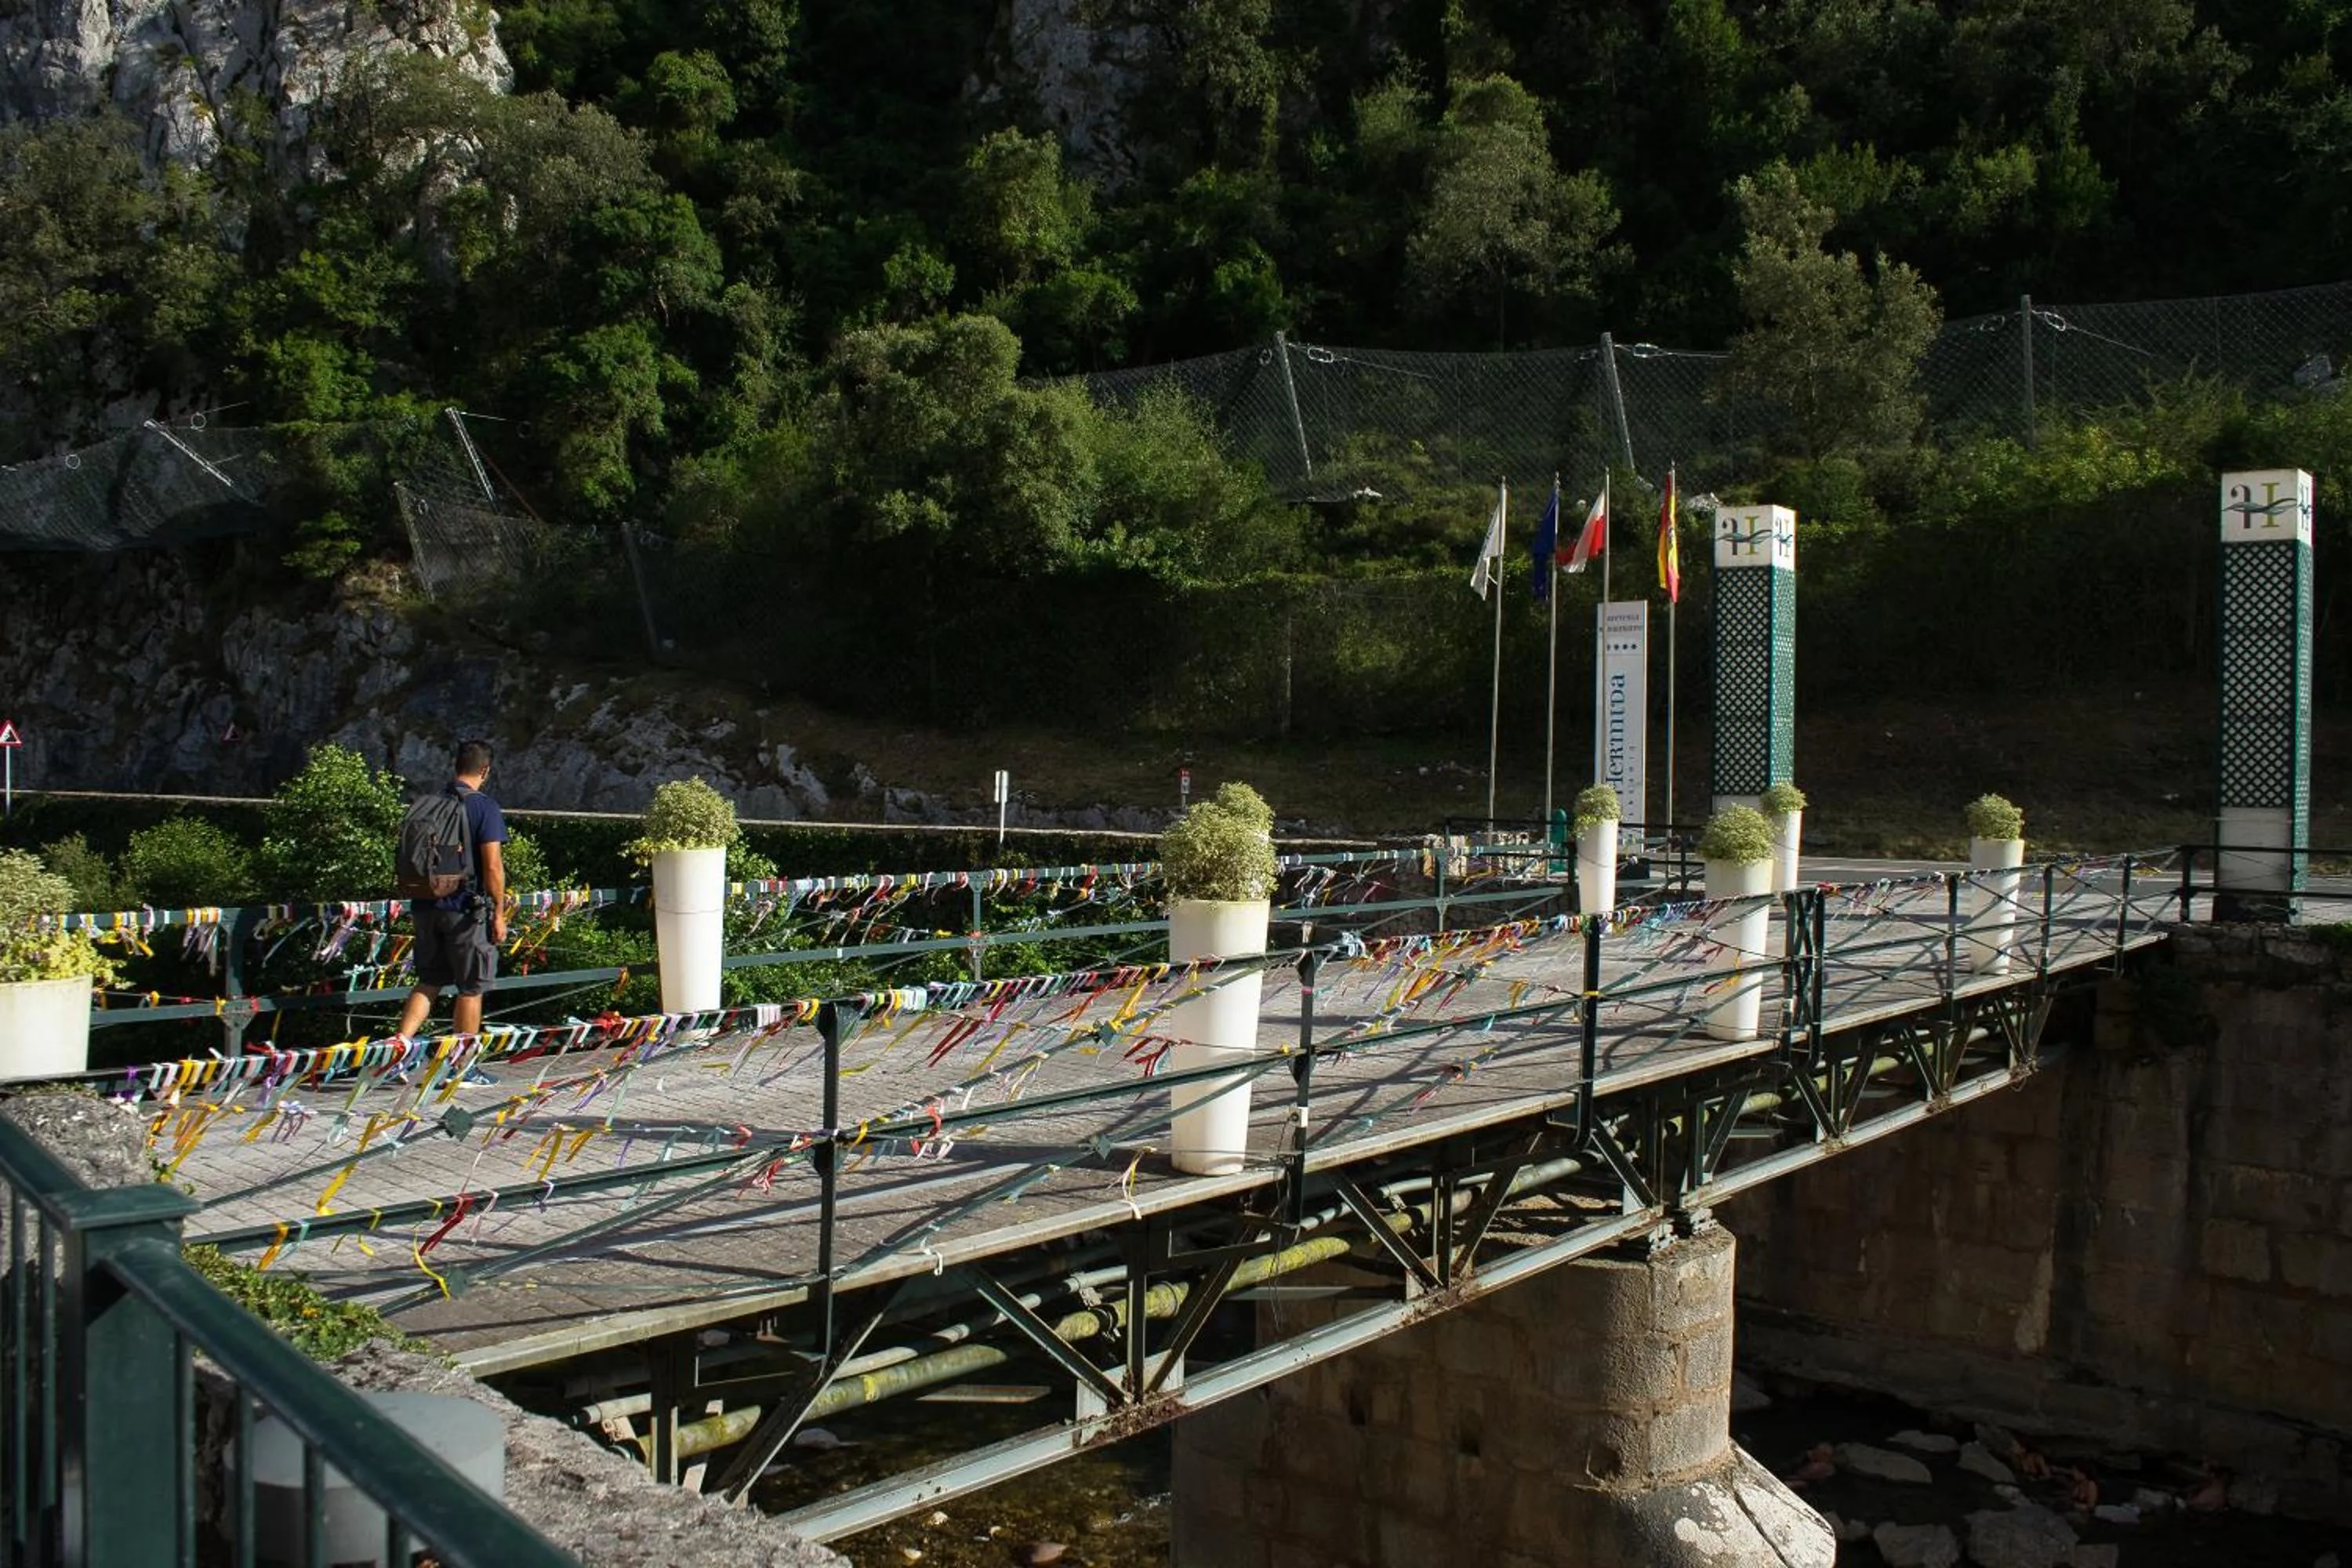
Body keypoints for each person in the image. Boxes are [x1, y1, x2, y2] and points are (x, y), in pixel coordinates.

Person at [397, 739, 509, 1040]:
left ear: (455, 765)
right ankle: (462, 1066)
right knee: (472, 987)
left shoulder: (429, 803)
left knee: (429, 981)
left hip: (425, 904)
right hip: (465, 910)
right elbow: (493, 867)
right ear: (485, 770)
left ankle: (397, 1052)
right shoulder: (484, 807)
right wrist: (499, 913)